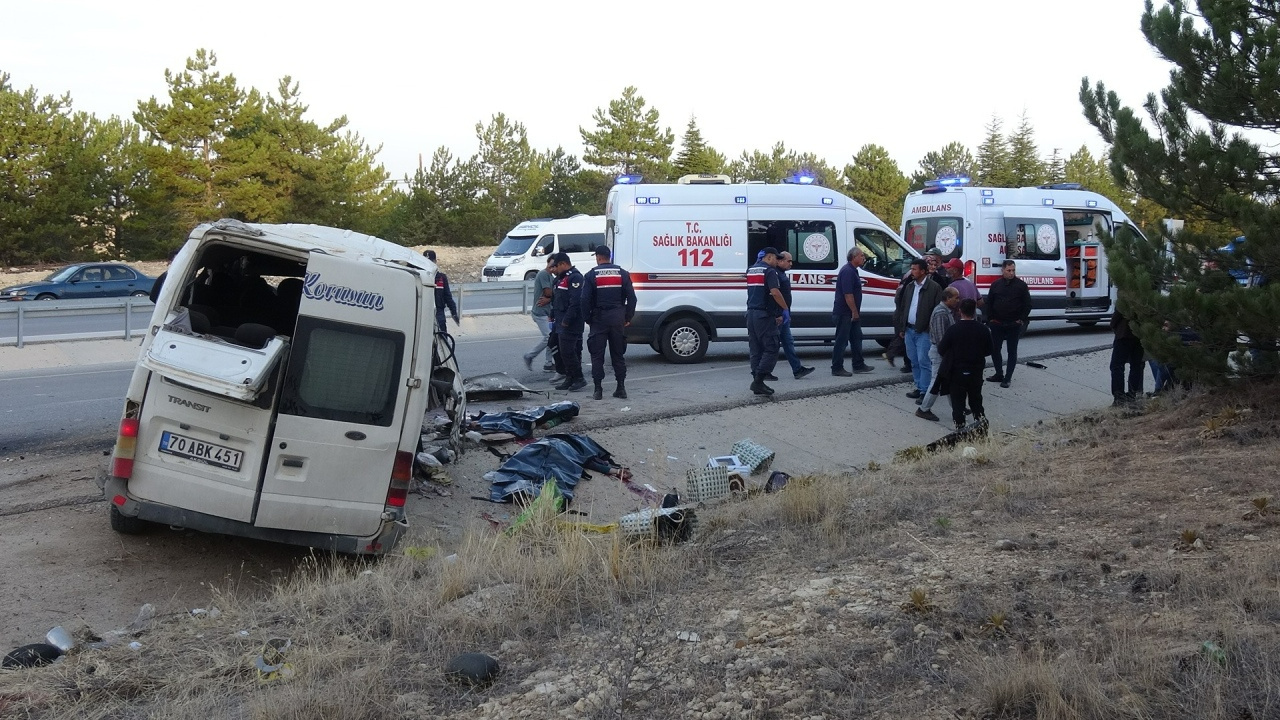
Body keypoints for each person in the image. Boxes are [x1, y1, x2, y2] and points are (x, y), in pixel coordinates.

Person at [581, 245, 637, 400]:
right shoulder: (623, 274)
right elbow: (632, 298)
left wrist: (588, 319)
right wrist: (627, 317)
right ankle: (621, 388)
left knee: (597, 355)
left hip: (599, 319)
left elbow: (584, 300)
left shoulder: (591, 275)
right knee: (618, 354)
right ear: (609, 257)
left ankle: (598, 390)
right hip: (618, 318)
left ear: (598, 257)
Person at [937, 298, 993, 429]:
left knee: (958, 404)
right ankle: (981, 427)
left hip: (957, 371)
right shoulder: (983, 329)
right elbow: (990, 350)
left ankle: (960, 429)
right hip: (976, 370)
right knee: (976, 401)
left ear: (960, 311)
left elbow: (941, 349)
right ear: (974, 311)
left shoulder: (953, 329)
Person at [893, 258, 943, 399]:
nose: (912, 272)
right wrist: (902, 328)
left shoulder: (934, 288)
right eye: (911, 269)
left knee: (924, 361)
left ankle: (925, 392)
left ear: (922, 271)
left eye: (914, 269)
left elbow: (937, 310)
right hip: (909, 330)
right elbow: (904, 307)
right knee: (914, 360)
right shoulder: (910, 287)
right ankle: (919, 386)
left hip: (924, 332)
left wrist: (929, 328)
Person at [746, 246, 788, 396]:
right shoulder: (770, 271)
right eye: (776, 258)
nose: (777, 261)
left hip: (751, 314)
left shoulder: (751, 270)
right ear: (769, 257)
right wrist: (785, 309)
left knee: (756, 348)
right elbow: (775, 292)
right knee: (771, 347)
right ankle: (758, 381)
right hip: (764, 315)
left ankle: (757, 381)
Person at [916, 286, 961, 421]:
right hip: (940, 353)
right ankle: (924, 409)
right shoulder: (941, 313)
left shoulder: (945, 311)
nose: (958, 301)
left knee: (948, 381)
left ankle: (958, 407)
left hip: (943, 352)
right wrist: (948, 355)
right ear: (947, 298)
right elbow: (942, 338)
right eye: (956, 298)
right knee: (936, 381)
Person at [984, 259, 1031, 388]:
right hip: (997, 323)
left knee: (1012, 351)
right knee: (995, 350)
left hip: (1013, 324)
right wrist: (990, 319)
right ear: (1002, 270)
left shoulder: (1021, 286)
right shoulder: (996, 285)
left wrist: (1021, 319)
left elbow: (1027, 304)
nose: (1011, 273)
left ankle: (1008, 377)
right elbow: (989, 302)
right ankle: (999, 373)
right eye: (1009, 270)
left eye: (1013, 270)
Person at [831, 247, 874, 376]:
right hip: (845, 312)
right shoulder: (848, 271)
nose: (863, 258)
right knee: (842, 340)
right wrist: (854, 311)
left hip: (850, 313)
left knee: (857, 338)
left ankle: (858, 365)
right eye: (861, 256)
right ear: (854, 257)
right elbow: (848, 294)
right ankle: (837, 367)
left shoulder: (853, 271)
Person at [548, 253, 586, 392]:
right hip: (560, 320)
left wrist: (567, 320)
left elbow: (575, 302)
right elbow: (556, 299)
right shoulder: (560, 279)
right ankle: (569, 378)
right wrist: (553, 314)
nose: (555, 269)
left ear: (563, 264)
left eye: (556, 266)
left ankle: (579, 378)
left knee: (569, 352)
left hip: (571, 322)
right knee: (561, 349)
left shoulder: (575, 277)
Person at [774, 251, 816, 379]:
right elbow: (774, 296)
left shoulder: (781, 274)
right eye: (789, 261)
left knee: (788, 342)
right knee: (772, 346)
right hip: (779, 316)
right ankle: (762, 372)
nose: (791, 264)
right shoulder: (775, 275)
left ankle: (797, 369)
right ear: (780, 261)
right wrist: (780, 313)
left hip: (784, 315)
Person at [523, 257, 556, 372]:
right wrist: (555, 294)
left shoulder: (551, 277)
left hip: (547, 312)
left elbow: (550, 295)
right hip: (540, 312)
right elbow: (548, 292)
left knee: (551, 336)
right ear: (548, 262)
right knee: (549, 337)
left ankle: (548, 363)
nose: (553, 266)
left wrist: (551, 299)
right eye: (552, 263)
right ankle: (529, 356)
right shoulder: (543, 274)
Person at [1109, 308, 1144, 406]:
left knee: (1116, 365)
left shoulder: (1127, 294)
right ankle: (1132, 394)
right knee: (1136, 365)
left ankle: (1119, 396)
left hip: (1124, 333)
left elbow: (1120, 311)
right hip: (1139, 334)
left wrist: (1113, 324)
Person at [423, 250, 459, 334]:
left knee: (442, 337)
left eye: (431, 261)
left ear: (435, 261)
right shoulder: (419, 277)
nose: (429, 264)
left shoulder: (441, 278)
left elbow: (448, 296)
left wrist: (453, 313)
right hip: (424, 312)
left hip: (439, 312)